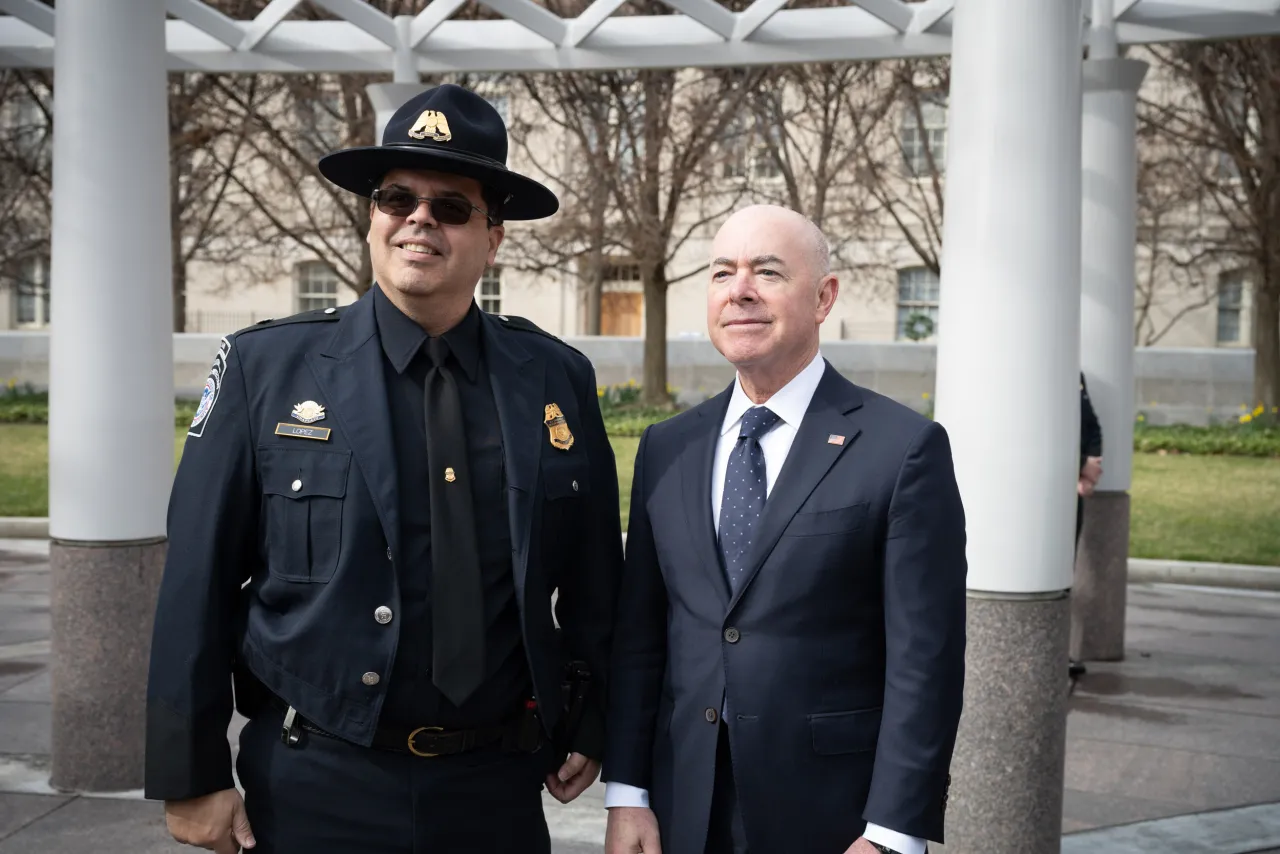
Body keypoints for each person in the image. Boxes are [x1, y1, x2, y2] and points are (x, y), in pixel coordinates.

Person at [143, 84, 624, 853]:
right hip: (317, 781)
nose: (420, 220)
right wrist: (191, 772)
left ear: (493, 237)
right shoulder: (264, 370)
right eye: (397, 198)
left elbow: (599, 583)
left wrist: (596, 720)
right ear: (373, 219)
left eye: (452, 206)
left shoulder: (553, 377)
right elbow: (194, 583)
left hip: (495, 786)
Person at [602, 205, 967, 854]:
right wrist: (628, 791)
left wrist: (891, 831)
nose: (739, 290)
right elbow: (640, 638)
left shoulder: (901, 450)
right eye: (722, 274)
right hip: (685, 810)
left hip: (833, 820)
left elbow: (925, 661)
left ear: (824, 297)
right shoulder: (668, 447)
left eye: (767, 271)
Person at [1070, 372, 1104, 679]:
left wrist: (1090, 465)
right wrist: (1083, 463)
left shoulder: (1071, 370)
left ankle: (1065, 649)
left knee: (1066, 570)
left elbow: (1091, 423)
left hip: (1071, 491)